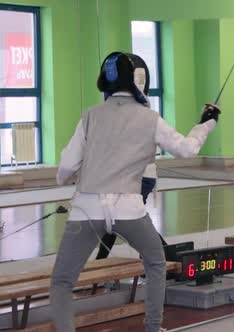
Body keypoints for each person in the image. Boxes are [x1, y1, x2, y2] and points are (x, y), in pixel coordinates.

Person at [50, 51, 220, 332]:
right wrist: (206, 123)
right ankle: (153, 328)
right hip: (129, 208)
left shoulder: (90, 116)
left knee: (62, 281)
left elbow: (67, 166)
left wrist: (64, 180)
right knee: (155, 264)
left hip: (86, 209)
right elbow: (187, 149)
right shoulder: (150, 118)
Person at [95, 53, 167, 260]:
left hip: (139, 176)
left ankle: (165, 256)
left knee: (124, 220)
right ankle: (101, 260)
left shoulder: (139, 108)